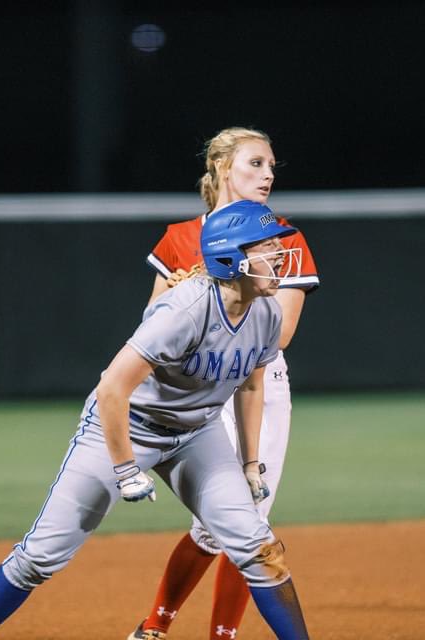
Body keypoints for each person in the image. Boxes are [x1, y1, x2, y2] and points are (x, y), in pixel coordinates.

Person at [0, 200, 310, 640]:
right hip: (129, 425)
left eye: (278, 245)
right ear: (230, 257)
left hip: (197, 434)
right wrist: (125, 469)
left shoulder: (266, 313)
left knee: (259, 550)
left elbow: (252, 388)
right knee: (40, 557)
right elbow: (112, 389)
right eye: (267, 246)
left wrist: (251, 464)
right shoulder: (184, 310)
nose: (279, 254)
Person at [131, 127, 319, 640]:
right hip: (195, 387)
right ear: (221, 167)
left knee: (248, 522)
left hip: (260, 383)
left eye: (271, 166)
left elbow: (279, 334)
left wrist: (202, 289)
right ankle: (154, 627)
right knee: (217, 525)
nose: (268, 174)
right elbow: (151, 328)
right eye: (256, 163)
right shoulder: (180, 238)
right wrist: (180, 296)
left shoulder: (284, 240)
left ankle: (206, 633)